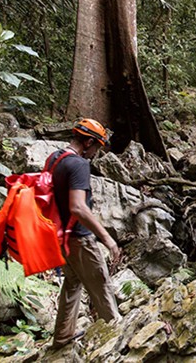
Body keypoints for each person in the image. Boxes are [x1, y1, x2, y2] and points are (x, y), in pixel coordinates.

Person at [50, 118, 121, 349]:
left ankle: (62, 337)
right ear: (89, 141)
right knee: (101, 285)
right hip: (79, 239)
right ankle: (118, 339)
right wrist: (107, 238)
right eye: (97, 147)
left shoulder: (55, 158)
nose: (96, 153)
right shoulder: (79, 165)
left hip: (60, 236)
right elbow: (78, 207)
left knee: (72, 282)